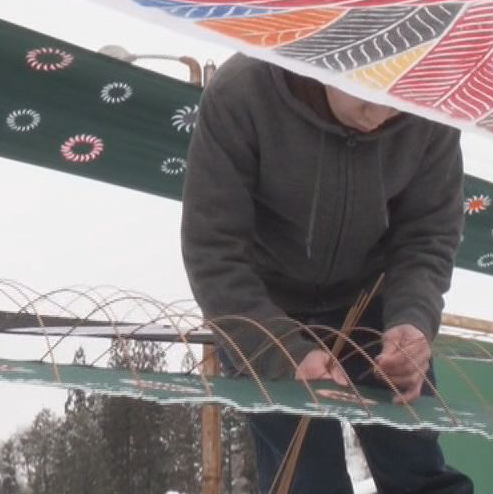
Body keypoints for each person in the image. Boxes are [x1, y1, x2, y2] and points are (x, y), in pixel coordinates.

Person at [181, 54, 473, 494]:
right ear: (328, 55)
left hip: (373, 301)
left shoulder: (432, 102)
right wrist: (282, 353)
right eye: (371, 95)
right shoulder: (242, 92)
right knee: (305, 478)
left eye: (398, 104)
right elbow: (214, 252)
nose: (379, 119)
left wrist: (412, 320)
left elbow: (426, 237)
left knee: (416, 465)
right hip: (262, 309)